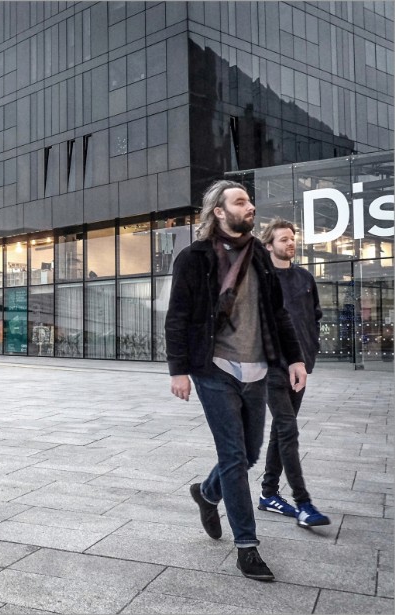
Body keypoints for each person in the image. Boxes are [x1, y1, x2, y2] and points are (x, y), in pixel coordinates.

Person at [165, 180, 307, 582]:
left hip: (258, 368)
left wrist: (294, 357)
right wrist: (178, 370)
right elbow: (177, 317)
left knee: (247, 454)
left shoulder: (260, 255)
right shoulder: (193, 259)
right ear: (219, 212)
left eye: (249, 200)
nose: (250, 206)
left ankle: (207, 493)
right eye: (240, 201)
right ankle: (247, 546)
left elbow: (278, 312)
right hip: (214, 369)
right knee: (233, 457)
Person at [257, 218, 330, 528]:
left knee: (281, 429)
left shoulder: (304, 278)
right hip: (271, 366)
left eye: (292, 238)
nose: (290, 243)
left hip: (300, 366)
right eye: (283, 239)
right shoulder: (261, 279)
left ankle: (268, 494)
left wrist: (307, 354)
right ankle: (303, 504)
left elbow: (313, 316)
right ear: (269, 245)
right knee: (287, 428)